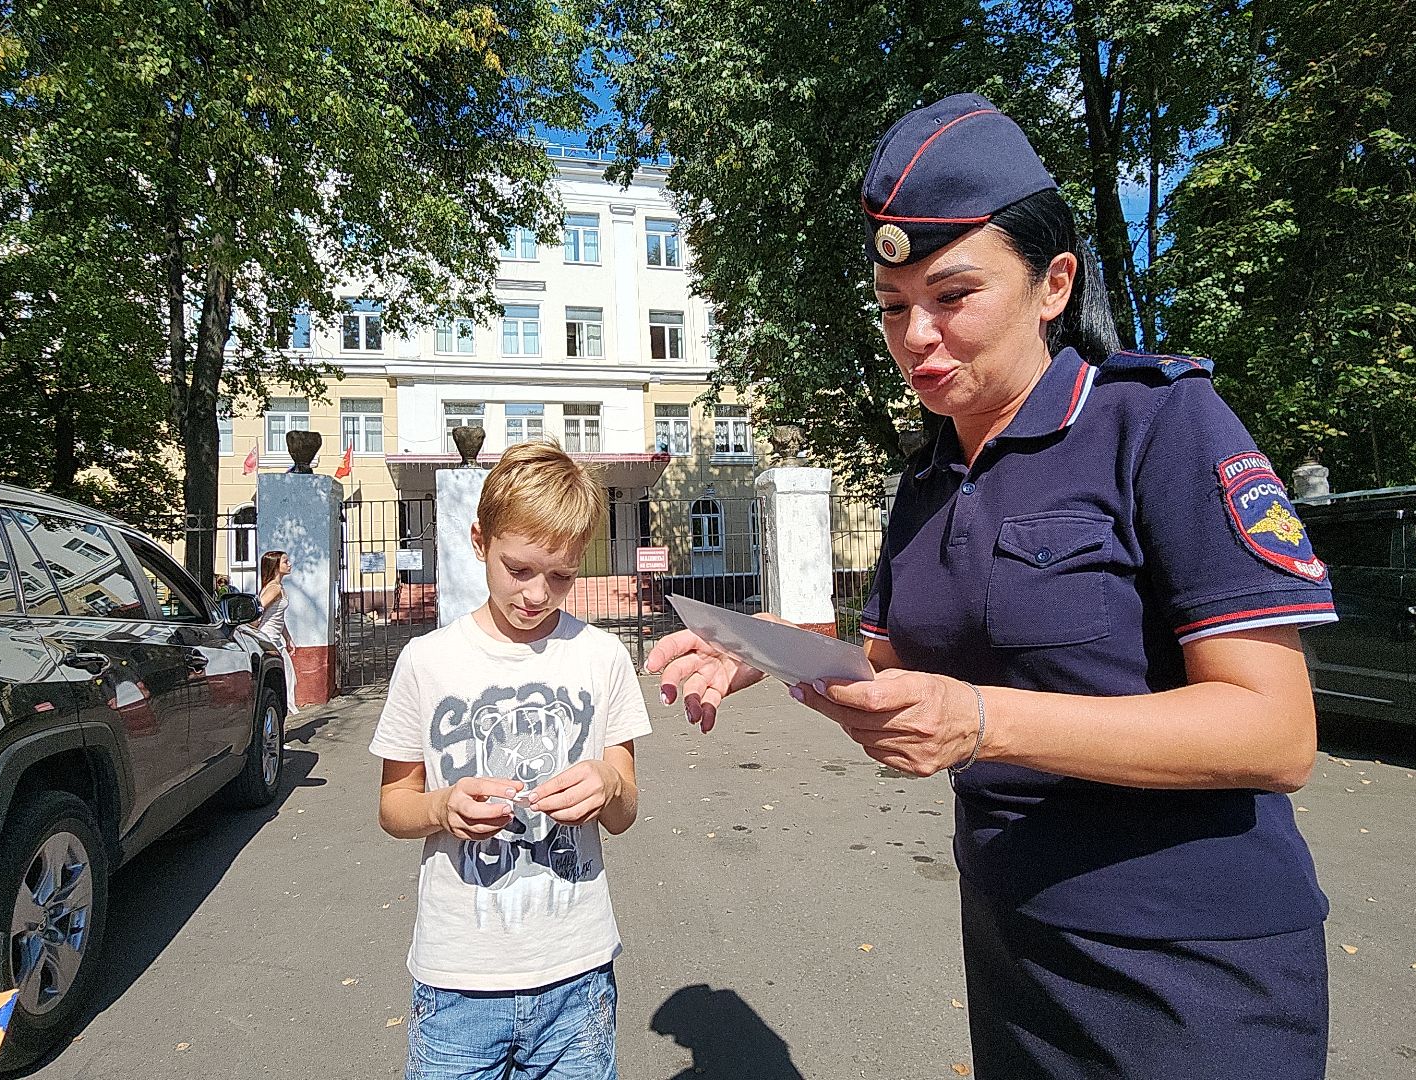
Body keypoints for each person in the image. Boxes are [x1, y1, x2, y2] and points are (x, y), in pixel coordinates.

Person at [647, 94, 1338, 1079]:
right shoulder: (928, 479)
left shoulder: (1157, 425)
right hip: (1015, 953)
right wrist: (762, 645)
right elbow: (896, 654)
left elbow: (1275, 732)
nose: (915, 335)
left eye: (953, 295)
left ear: (1053, 284)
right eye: (894, 307)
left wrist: (980, 724)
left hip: (1190, 973)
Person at [370, 439, 650, 1080]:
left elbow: (627, 806)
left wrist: (608, 783)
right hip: (457, 981)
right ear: (478, 540)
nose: (536, 594)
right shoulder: (428, 661)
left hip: (577, 977)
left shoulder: (600, 656)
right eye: (518, 569)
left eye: (560, 576)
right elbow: (393, 805)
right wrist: (442, 805)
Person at [256, 549, 292, 649]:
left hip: (274, 640)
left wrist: (287, 638)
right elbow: (258, 609)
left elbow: (277, 616)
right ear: (275, 566)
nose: (289, 564)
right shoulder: (274, 588)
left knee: (286, 664)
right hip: (268, 640)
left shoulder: (278, 586)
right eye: (285, 562)